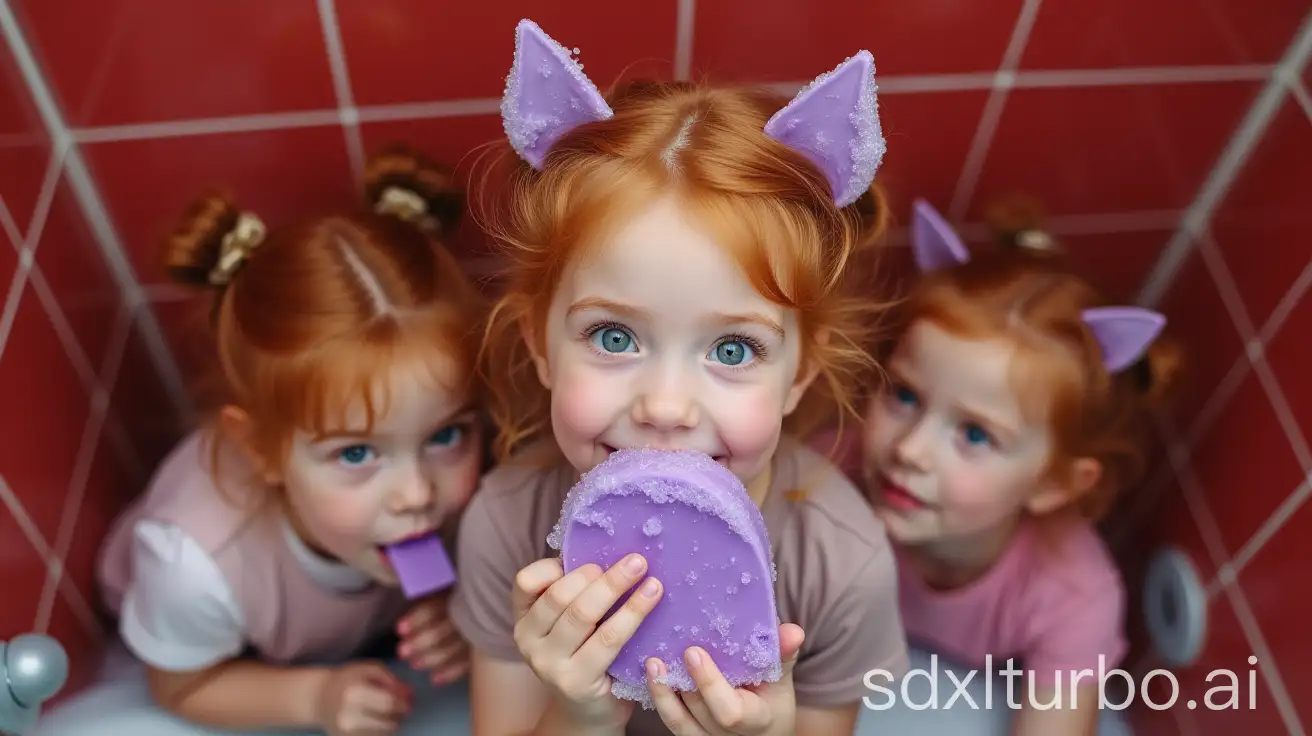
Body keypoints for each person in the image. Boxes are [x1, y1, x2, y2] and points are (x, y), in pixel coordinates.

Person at [449, 18, 908, 736]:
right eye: (613, 335)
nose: (665, 407)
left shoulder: (843, 565)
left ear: (799, 375)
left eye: (732, 350)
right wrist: (578, 714)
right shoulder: (506, 524)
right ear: (541, 345)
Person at [94, 145, 487, 735]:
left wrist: (461, 618)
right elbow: (180, 684)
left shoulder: (462, 494)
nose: (415, 494)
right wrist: (312, 698)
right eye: (355, 453)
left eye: (446, 434)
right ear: (261, 451)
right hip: (205, 647)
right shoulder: (196, 566)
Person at [847, 199, 1181, 734]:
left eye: (975, 434)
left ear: (1053, 485)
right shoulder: (828, 473)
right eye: (905, 396)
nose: (910, 449)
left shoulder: (1072, 593)